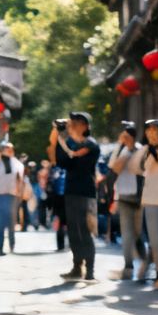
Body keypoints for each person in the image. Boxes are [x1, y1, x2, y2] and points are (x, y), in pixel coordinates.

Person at [47, 112, 99, 281]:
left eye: (76, 124)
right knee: (73, 231)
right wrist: (58, 134)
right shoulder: (69, 143)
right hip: (70, 191)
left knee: (84, 230)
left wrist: (63, 139)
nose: (72, 127)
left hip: (86, 193)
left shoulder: (91, 144)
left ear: (85, 127)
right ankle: (77, 267)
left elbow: (73, 156)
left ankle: (89, 270)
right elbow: (60, 160)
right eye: (71, 123)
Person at [128, 119, 158, 290]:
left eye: (155, 130)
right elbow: (133, 167)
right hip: (149, 199)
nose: (151, 133)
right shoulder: (147, 151)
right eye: (148, 130)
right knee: (155, 241)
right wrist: (144, 151)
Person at [108, 125, 145, 280]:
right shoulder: (122, 150)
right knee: (127, 234)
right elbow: (113, 167)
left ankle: (144, 264)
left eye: (126, 136)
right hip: (124, 197)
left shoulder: (140, 150)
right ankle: (128, 266)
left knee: (138, 234)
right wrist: (119, 146)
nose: (124, 138)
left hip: (140, 198)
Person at [0, 142, 25, 255]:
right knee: (0, 222)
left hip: (12, 196)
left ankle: (11, 245)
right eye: (4, 148)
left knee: (11, 221)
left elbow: (20, 180)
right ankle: (0, 247)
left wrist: (20, 195)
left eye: (8, 148)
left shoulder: (17, 164)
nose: (6, 150)